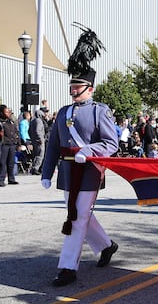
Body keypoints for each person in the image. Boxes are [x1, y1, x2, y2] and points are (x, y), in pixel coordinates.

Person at [41, 31, 119, 286]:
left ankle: (67, 267)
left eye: (78, 86)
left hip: (89, 172)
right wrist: (46, 172)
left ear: (90, 88)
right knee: (80, 214)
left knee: (76, 217)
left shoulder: (100, 111)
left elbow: (111, 143)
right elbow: (53, 145)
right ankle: (106, 246)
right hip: (67, 172)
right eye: (72, 86)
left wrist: (90, 151)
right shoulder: (63, 112)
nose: (73, 90)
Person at [0, 105, 21, 185]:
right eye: (6, 112)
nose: (8, 113)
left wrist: (18, 143)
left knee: (11, 162)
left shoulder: (10, 121)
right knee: (2, 162)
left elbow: (16, 132)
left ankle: (11, 178)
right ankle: (1, 179)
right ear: (1, 112)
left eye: (9, 112)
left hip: (12, 144)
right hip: (3, 144)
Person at [29, 108, 47, 175]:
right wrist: (40, 138)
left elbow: (29, 131)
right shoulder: (39, 121)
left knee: (36, 154)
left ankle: (34, 168)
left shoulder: (32, 121)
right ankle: (35, 168)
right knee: (40, 155)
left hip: (34, 140)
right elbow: (38, 130)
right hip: (39, 141)